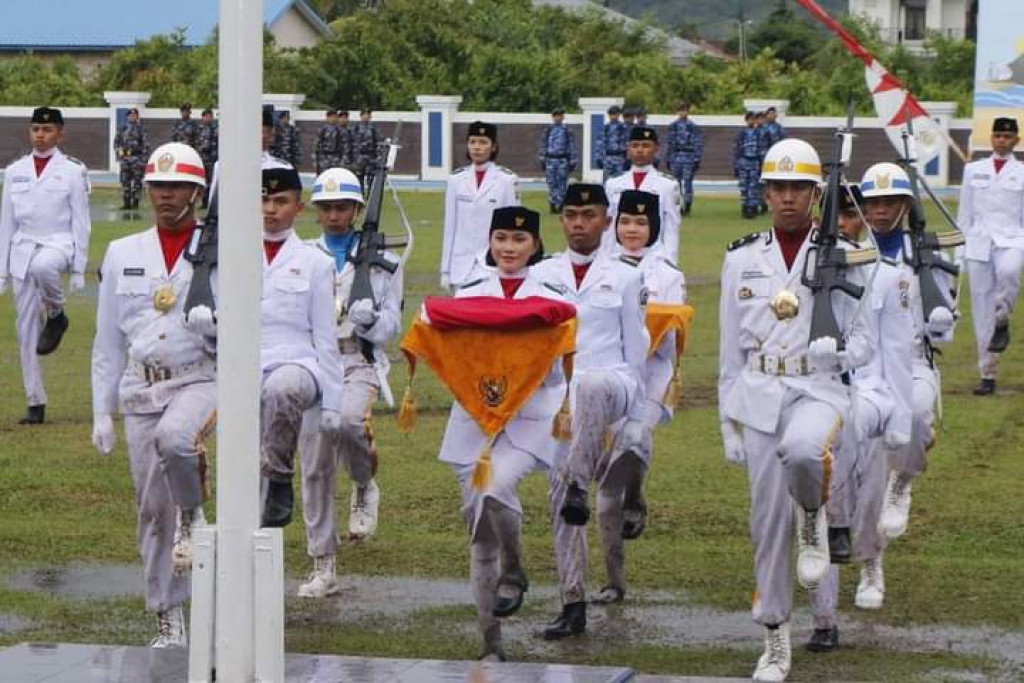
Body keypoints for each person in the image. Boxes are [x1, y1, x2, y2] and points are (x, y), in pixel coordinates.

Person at [718, 139, 875, 683]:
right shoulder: (741, 257)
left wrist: (840, 351)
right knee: (765, 524)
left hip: (819, 389)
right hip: (759, 395)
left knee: (805, 453)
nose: (787, 198)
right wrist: (725, 422)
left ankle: (813, 518)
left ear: (816, 194)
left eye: (799, 189)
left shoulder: (842, 253)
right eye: (778, 188)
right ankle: (775, 638)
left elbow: (864, 341)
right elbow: (729, 350)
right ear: (765, 192)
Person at [432, 205, 569, 661]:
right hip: (473, 419)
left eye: (519, 240)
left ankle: (514, 566)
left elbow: (559, 368)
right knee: (478, 528)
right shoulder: (469, 290)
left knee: (493, 489)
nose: (509, 248)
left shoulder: (553, 291)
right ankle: (490, 641)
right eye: (501, 239)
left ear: (535, 244)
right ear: (490, 242)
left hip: (528, 420)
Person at [91, 142, 214, 648]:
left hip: (199, 376)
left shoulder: (218, 249)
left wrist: (216, 325)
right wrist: (102, 410)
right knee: (150, 509)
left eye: (178, 186)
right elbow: (106, 340)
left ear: (197, 193)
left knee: (176, 439)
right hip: (141, 386)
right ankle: (167, 613)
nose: (167, 196)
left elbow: (250, 323)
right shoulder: (123, 253)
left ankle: (194, 512)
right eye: (159, 186)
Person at [531, 183, 649, 640]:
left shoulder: (625, 275)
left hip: (612, 379)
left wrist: (636, 416)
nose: (579, 223)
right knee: (560, 496)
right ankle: (572, 601)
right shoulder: (542, 274)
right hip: (561, 394)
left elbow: (636, 351)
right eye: (571, 214)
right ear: (562, 220)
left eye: (589, 214)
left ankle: (581, 481)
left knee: (594, 384)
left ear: (606, 220)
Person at [806, 183, 914, 653]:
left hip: (868, 399)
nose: (845, 227)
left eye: (852, 216)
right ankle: (824, 618)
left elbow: (896, 357)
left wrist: (900, 422)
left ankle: (871, 563)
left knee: (865, 501)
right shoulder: (799, 272)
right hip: (813, 399)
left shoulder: (887, 277)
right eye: (835, 218)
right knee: (818, 507)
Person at [295, 167, 404, 597]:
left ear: (358, 209)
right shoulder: (301, 257)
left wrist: (372, 320)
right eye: (326, 208)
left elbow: (392, 324)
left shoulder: (381, 260)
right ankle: (323, 562)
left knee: (349, 422)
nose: (335, 215)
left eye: (343, 207)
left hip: (356, 358)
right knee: (315, 465)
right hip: (311, 362)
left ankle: (363, 483)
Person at [594, 189, 687, 605]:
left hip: (651, 377)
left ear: (654, 227)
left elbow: (670, 332)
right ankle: (614, 579)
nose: (632, 230)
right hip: (609, 377)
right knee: (604, 491)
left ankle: (635, 491)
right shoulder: (600, 267)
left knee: (633, 443)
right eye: (626, 222)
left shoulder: (668, 273)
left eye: (641, 223)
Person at [860, 162, 957, 545]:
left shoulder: (927, 251)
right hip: (862, 365)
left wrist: (942, 323)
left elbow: (945, 322)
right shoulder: (849, 251)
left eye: (890, 201)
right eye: (874, 202)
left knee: (916, 413)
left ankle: (902, 481)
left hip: (913, 360)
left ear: (906, 204)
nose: (881, 210)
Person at [257, 166, 345, 530]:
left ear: (299, 207)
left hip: (297, 361)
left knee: (284, 387)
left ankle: (279, 478)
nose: (270, 208)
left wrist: (333, 402)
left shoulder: (316, 263)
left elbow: (325, 336)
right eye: (263, 199)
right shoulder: (228, 253)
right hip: (243, 364)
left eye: (280, 201)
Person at [0, 106, 91, 425]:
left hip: (58, 243)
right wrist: (2, 269)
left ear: (60, 133)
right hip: (21, 250)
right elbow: (6, 223)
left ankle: (57, 314)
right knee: (24, 330)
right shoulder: (15, 171)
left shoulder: (72, 170)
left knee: (43, 267)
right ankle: (35, 402)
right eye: (36, 128)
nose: (40, 134)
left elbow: (81, 221)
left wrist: (79, 267)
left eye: (48, 129)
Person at [958, 116, 1024, 396]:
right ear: (992, 138)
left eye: (1007, 137)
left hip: (1013, 238)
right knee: (980, 311)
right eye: (997, 136)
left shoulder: (1022, 171)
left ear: (1016, 141)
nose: (1001, 140)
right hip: (979, 242)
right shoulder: (973, 170)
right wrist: (959, 250)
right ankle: (987, 374)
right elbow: (965, 211)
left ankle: (1003, 318)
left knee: (1010, 273)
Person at [440, 121, 519, 290]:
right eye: (472, 142)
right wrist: (445, 270)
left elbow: (513, 228)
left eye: (483, 142)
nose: (477, 147)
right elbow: (450, 227)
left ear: (493, 147)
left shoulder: (507, 180)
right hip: (460, 266)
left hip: (493, 264)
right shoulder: (456, 180)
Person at [604, 126, 682, 260]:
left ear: (656, 148)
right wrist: (605, 257)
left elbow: (671, 228)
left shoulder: (668, 185)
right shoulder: (613, 184)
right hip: (619, 256)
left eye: (646, 146)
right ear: (628, 148)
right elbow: (608, 227)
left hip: (654, 256)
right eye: (635, 146)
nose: (640, 150)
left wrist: (670, 262)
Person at [538, 108, 578, 214]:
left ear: (563, 117)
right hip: (550, 159)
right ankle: (552, 204)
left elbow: (572, 145)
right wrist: (542, 159)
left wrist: (573, 160)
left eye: (559, 115)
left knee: (562, 183)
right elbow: (543, 144)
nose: (557, 118)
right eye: (555, 115)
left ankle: (560, 204)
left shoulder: (567, 130)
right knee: (551, 183)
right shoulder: (548, 130)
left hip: (562, 160)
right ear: (553, 117)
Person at [667, 102, 704, 216]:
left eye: (685, 110)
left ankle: (687, 205)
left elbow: (698, 143)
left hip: (688, 157)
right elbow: (669, 143)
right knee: (675, 184)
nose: (683, 113)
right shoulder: (673, 126)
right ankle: (677, 206)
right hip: (676, 157)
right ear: (677, 112)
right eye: (681, 110)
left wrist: (697, 159)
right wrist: (668, 157)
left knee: (687, 183)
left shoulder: (693, 126)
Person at [114, 107, 150, 211]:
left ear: (137, 117)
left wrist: (143, 160)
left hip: (137, 159)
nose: (132, 117)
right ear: (127, 117)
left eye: (134, 115)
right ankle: (126, 203)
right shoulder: (122, 128)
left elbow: (146, 145)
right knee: (125, 181)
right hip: (125, 159)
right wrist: (119, 152)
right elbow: (116, 142)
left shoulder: (141, 129)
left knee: (137, 183)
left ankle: (135, 204)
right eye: (130, 115)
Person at [734, 112, 764, 219]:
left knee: (753, 186)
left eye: (753, 119)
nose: (752, 121)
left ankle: (752, 208)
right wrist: (736, 165)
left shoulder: (758, 134)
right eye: (750, 119)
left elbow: (761, 149)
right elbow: (737, 150)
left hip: (754, 162)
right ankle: (744, 207)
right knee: (744, 187)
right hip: (743, 161)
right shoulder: (741, 134)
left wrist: (761, 164)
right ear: (746, 120)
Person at [596, 105, 628, 182]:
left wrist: (626, 157)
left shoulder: (623, 127)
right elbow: (600, 144)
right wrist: (599, 158)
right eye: (611, 114)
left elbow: (626, 143)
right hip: (608, 158)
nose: (613, 116)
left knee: (619, 182)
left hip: (619, 158)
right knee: (606, 182)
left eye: (615, 114)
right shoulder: (605, 128)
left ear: (618, 115)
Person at [352, 108, 381, 192]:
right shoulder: (356, 127)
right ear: (361, 116)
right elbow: (352, 141)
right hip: (359, 156)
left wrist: (377, 155)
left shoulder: (373, 128)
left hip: (370, 156)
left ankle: (369, 197)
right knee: (359, 178)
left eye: (368, 115)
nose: (366, 116)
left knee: (371, 178)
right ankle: (360, 195)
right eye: (365, 114)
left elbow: (378, 141)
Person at [196, 109, 218, 209]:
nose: (207, 118)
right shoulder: (200, 129)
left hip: (211, 159)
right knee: (202, 181)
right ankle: (203, 202)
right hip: (202, 159)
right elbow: (197, 142)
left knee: (211, 181)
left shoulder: (215, 129)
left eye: (209, 116)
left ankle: (210, 201)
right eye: (205, 116)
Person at [315, 109, 342, 175]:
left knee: (335, 175)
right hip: (324, 157)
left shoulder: (339, 129)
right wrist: (318, 158)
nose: (333, 118)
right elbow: (318, 144)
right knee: (324, 175)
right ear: (327, 117)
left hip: (335, 157)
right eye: (331, 117)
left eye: (334, 116)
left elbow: (342, 144)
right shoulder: (323, 129)